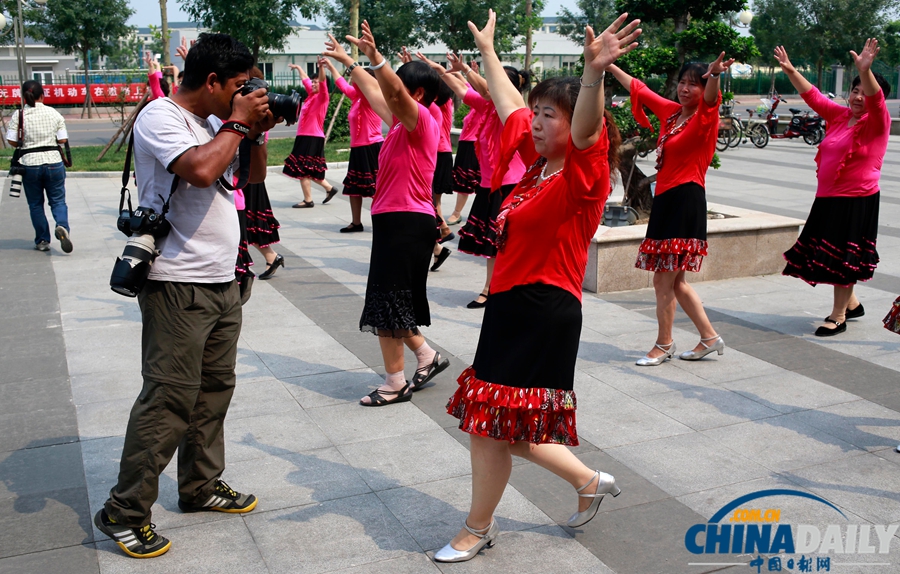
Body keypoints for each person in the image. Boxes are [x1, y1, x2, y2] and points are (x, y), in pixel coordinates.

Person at [437, 11, 639, 563]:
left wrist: (593, 75)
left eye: (549, 115)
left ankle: (477, 528)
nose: (535, 123)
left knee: (488, 425)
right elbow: (508, 104)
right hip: (512, 306)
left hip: (543, 306)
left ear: (572, 123)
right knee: (502, 424)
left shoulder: (582, 173)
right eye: (538, 113)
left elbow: (587, 131)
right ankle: (589, 480)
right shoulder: (535, 170)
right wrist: (489, 51)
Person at [93, 33, 278, 559]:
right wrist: (239, 124)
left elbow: (252, 179)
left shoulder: (218, 123)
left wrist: (254, 133)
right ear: (213, 81)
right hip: (176, 284)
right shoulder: (161, 116)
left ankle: (199, 486)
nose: (250, 95)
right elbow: (199, 172)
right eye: (242, 87)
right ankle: (123, 511)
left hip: (223, 281)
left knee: (213, 392)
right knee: (168, 401)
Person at [324, 23, 450, 406]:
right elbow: (375, 91)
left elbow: (390, 90)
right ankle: (427, 356)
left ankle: (395, 384)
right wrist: (350, 61)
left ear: (417, 94)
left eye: (399, 90)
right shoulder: (400, 125)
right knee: (391, 300)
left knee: (385, 302)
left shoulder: (421, 121)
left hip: (406, 223)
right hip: (400, 222)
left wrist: (377, 58)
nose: (389, 95)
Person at [607, 52, 732, 366]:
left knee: (663, 281)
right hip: (665, 200)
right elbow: (640, 89)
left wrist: (714, 76)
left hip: (685, 199)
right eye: (683, 83)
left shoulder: (706, 116)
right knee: (675, 281)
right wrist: (606, 63)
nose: (685, 89)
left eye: (694, 85)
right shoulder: (673, 114)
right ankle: (708, 337)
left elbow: (713, 98)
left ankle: (664, 344)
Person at [776, 40, 890, 337]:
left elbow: (876, 100)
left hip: (857, 200)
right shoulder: (840, 117)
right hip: (827, 199)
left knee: (844, 258)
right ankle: (851, 303)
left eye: (864, 92)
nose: (858, 97)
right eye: (854, 91)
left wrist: (865, 71)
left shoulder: (878, 122)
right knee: (824, 255)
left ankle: (838, 315)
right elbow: (812, 96)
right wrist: (790, 70)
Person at [321, 54, 384, 233]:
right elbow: (342, 84)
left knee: (375, 188)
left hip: (372, 147)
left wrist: (346, 62)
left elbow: (355, 80)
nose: (356, 81)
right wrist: (331, 67)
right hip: (358, 149)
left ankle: (382, 222)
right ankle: (356, 223)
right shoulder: (357, 97)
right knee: (354, 187)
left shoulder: (370, 98)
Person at [8, 80, 72, 253]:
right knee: (58, 201)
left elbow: (13, 141)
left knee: (36, 204)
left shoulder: (19, 115)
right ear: (42, 95)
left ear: (23, 97)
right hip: (54, 162)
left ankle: (43, 240)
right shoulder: (54, 114)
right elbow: (62, 140)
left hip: (30, 164)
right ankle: (62, 226)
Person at [243, 67, 284, 279]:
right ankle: (270, 257)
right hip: (243, 173)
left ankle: (266, 257)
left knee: (248, 221)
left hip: (249, 174)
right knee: (248, 222)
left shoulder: (259, 113)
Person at [283, 60, 339, 208]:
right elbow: (305, 79)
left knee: (303, 168)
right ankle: (329, 188)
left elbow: (322, 81)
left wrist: (321, 67)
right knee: (307, 168)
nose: (313, 84)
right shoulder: (311, 94)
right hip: (304, 136)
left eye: (316, 82)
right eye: (312, 83)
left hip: (312, 137)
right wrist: (299, 67)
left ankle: (308, 200)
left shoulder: (322, 97)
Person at [448, 70, 483, 226]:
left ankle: (462, 213)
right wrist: (463, 72)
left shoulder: (483, 103)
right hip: (465, 144)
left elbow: (465, 88)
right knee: (465, 182)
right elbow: (464, 85)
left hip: (475, 145)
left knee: (474, 181)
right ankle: (458, 212)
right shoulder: (474, 105)